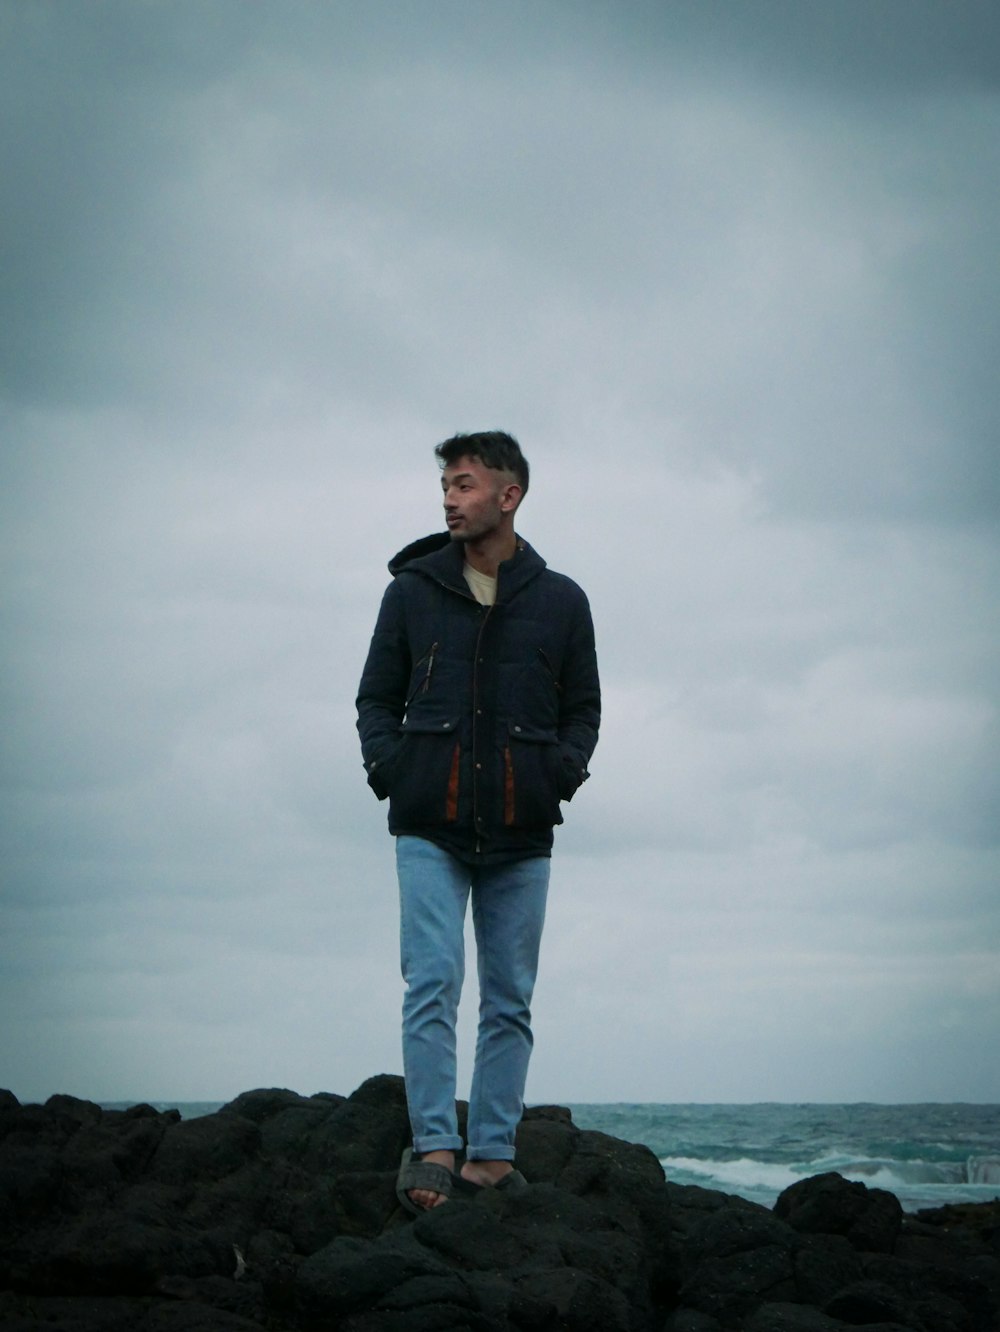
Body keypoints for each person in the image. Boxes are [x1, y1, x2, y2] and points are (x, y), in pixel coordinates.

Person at [356, 430, 600, 1212]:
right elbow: (374, 699)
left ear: (509, 494)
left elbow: (583, 709)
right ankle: (433, 1144)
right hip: (430, 819)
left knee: (509, 997)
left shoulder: (562, 601)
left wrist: (556, 775)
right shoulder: (411, 592)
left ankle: (491, 1154)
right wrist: (394, 769)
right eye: (445, 487)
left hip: (522, 829)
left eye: (464, 485)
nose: (450, 500)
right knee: (431, 982)